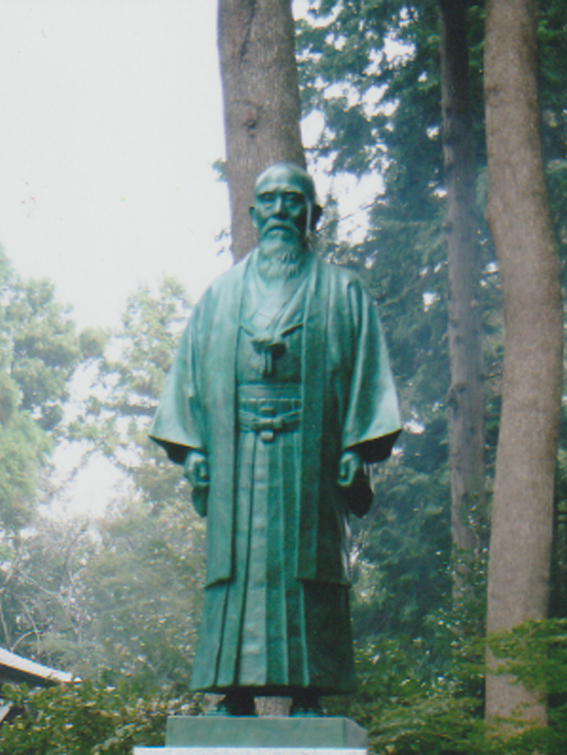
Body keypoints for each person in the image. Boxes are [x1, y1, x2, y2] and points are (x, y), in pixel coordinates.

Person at [150, 162, 400, 716]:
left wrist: (355, 446)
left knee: (307, 566)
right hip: (237, 459)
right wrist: (193, 451)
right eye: (271, 201)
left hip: (307, 455)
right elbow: (187, 380)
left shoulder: (343, 292)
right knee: (236, 567)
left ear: (313, 215)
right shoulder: (220, 297)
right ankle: (232, 692)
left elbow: (367, 375)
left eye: (294, 201)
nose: (282, 211)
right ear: (254, 212)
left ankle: (309, 691)